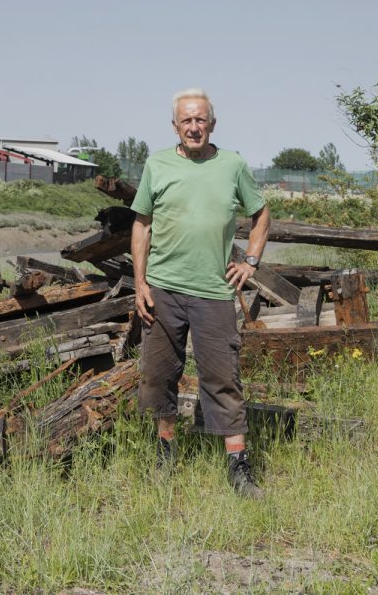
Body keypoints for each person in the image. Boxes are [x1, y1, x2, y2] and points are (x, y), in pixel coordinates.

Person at [131, 88, 270, 497]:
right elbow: (141, 225)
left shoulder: (232, 165)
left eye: (201, 119)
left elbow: (261, 213)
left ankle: (238, 468)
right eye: (187, 120)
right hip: (163, 290)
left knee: (223, 378)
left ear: (212, 123)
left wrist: (251, 261)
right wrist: (140, 283)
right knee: (159, 376)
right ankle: (165, 455)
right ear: (175, 126)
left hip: (213, 291)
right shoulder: (157, 164)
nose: (194, 127)